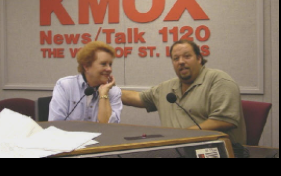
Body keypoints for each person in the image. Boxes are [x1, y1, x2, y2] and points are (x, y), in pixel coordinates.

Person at [112, 39, 249, 158]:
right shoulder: (167, 87)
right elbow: (138, 98)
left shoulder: (218, 80)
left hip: (213, 152)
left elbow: (224, 120)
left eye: (187, 56)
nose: (181, 62)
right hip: (175, 151)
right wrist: (107, 89)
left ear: (199, 58)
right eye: (176, 59)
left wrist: (180, 136)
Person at [49, 41, 123, 123]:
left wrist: (104, 94)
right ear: (86, 66)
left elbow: (111, 129)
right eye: (103, 64)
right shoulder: (65, 85)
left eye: (110, 64)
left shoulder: (114, 91)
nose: (109, 69)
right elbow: (56, 124)